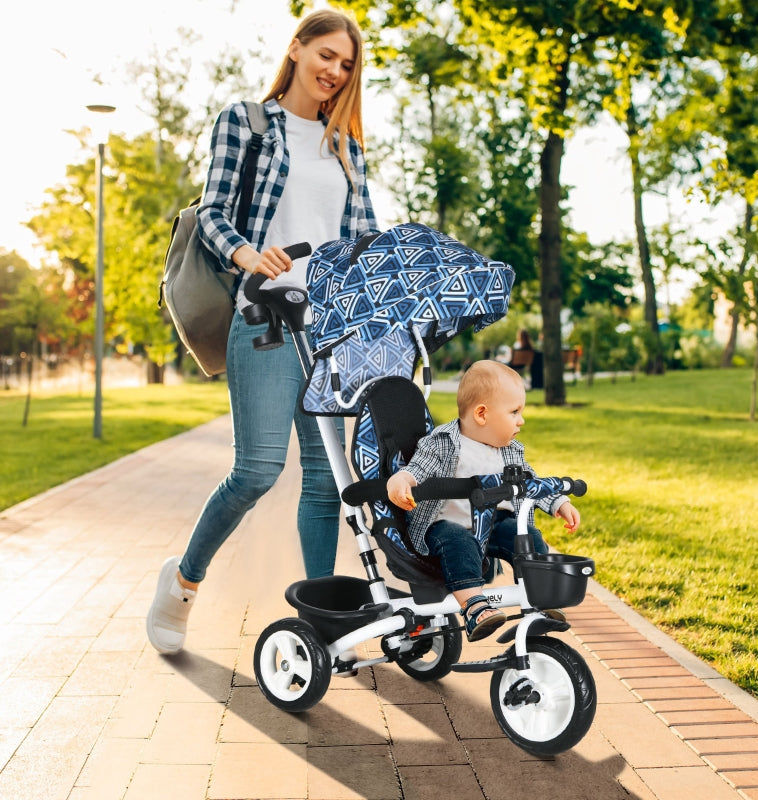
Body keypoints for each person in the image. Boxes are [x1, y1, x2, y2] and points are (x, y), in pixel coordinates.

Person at [147, 8, 380, 655]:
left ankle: (323, 622)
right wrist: (248, 254)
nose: (335, 71)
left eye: (346, 64)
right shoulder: (246, 123)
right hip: (263, 315)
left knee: (323, 477)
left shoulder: (346, 148)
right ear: (297, 48)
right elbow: (213, 211)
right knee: (255, 470)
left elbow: (362, 239)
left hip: (326, 327)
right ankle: (183, 584)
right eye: (326, 55)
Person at [386, 360, 580, 642]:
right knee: (457, 540)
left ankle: (541, 596)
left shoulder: (509, 450)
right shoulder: (442, 443)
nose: (521, 420)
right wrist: (401, 481)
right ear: (481, 414)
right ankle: (473, 606)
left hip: (492, 523)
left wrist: (558, 503)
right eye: (514, 412)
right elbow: (416, 470)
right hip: (445, 523)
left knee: (524, 535)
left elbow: (529, 480)